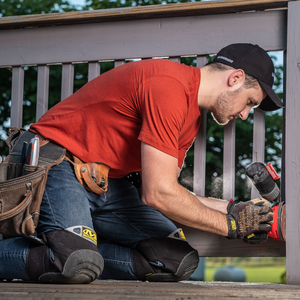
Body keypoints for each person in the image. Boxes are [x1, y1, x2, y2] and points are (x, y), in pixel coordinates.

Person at [0, 43, 283, 284]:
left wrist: (232, 209)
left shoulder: (190, 122)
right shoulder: (168, 85)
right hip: (59, 163)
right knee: (72, 263)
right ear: (235, 78)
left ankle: (77, 245)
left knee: (174, 260)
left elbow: (168, 190)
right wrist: (229, 226)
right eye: (250, 102)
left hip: (106, 183)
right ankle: (71, 250)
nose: (246, 114)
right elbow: (157, 193)